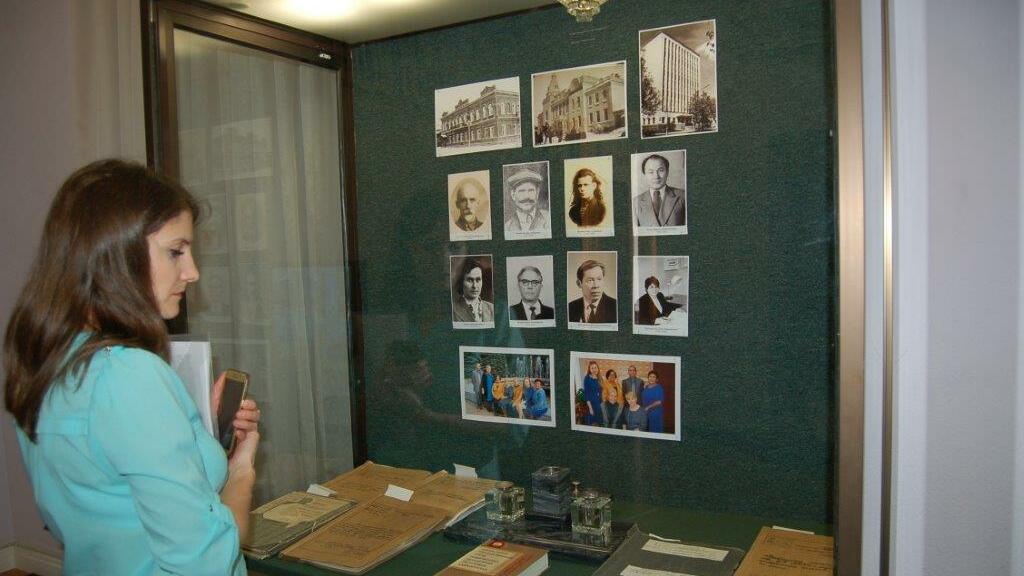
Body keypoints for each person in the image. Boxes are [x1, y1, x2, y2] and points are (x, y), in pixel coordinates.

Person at [3, 160, 261, 575]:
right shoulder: (130, 375)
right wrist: (240, 473)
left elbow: (105, 495)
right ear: (115, 253)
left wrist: (195, 431)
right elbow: (205, 563)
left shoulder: (43, 360)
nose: (192, 272)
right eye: (176, 251)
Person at [633, 154, 685, 227]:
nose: (656, 176)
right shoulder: (636, 202)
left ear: (667, 172)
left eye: (661, 170)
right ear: (644, 175)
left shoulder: (683, 196)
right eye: (651, 172)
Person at [503, 167, 549, 232]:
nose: (527, 196)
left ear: (537, 193)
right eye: (521, 191)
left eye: (531, 190)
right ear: (513, 195)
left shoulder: (549, 218)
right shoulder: (507, 227)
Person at [452, 258, 494, 322]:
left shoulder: (491, 308)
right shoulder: (453, 309)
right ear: (461, 282)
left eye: (478, 280)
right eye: (470, 280)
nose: (474, 286)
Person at [581, 361, 603, 426]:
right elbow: (587, 394)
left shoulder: (600, 378)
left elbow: (601, 392)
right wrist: (590, 408)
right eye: (592, 368)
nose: (594, 369)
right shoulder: (587, 378)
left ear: (598, 368)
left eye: (595, 367)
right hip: (591, 404)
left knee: (599, 423)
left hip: (599, 404)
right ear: (589, 369)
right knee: (592, 423)